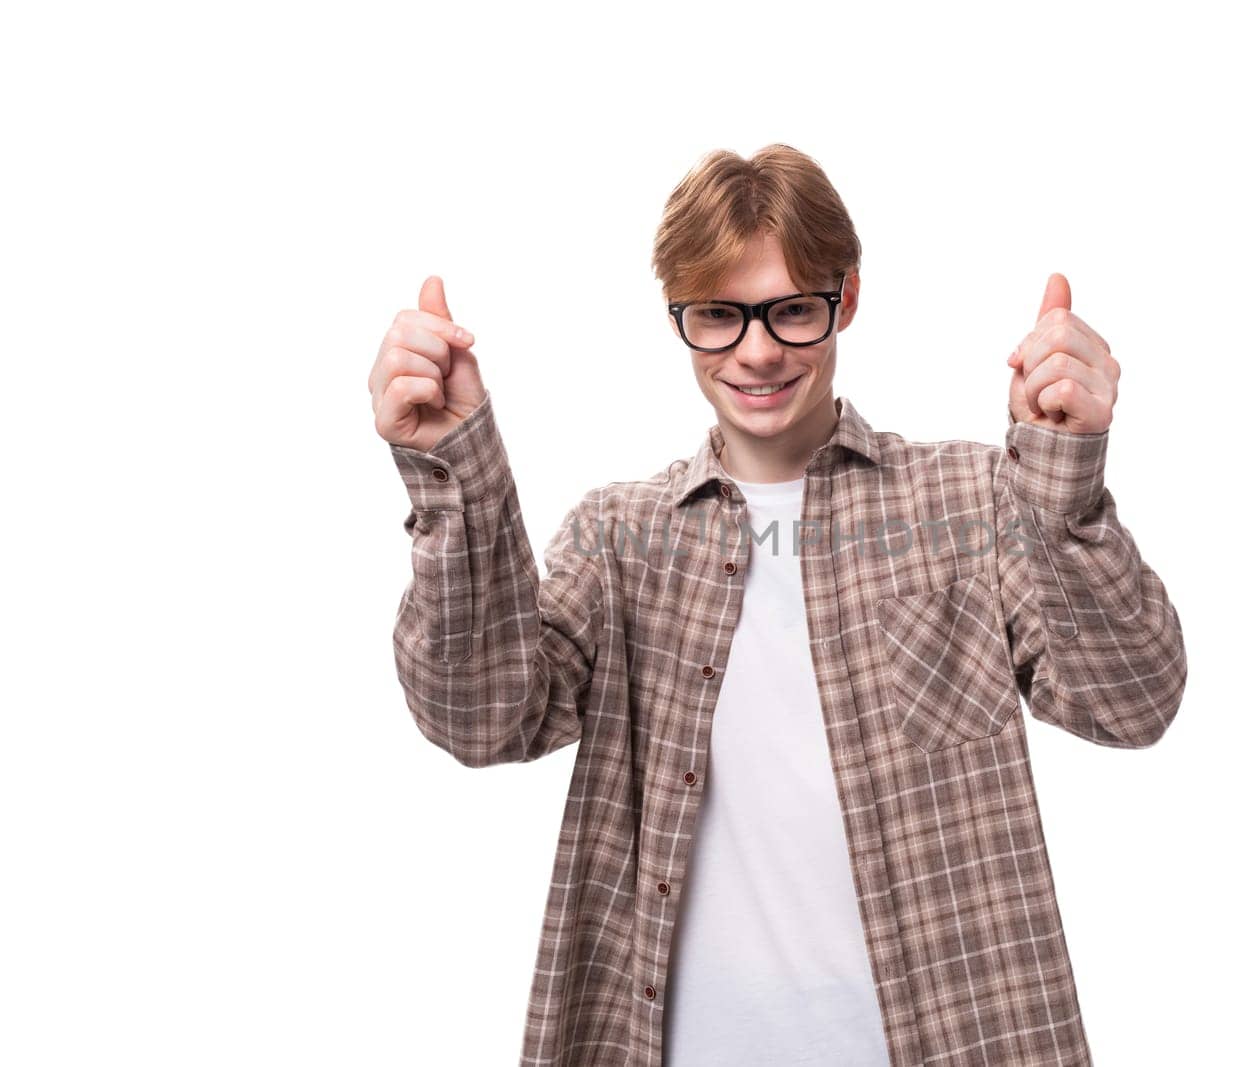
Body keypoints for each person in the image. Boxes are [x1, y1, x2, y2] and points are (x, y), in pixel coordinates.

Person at [368, 144, 1186, 1067]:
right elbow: (481, 717)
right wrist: (456, 469)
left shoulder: (971, 503)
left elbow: (1133, 704)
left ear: (848, 300)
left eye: (793, 309)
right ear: (680, 317)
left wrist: (1064, 488)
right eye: (719, 315)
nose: (757, 350)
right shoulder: (619, 537)